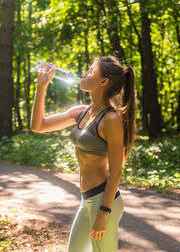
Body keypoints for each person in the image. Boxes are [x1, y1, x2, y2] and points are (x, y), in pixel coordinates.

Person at [30, 55, 136, 251]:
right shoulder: (81, 112)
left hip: (103, 202)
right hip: (87, 199)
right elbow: (38, 125)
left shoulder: (111, 119)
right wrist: (41, 87)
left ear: (103, 82)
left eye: (90, 71)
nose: (84, 74)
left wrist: (104, 213)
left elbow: (116, 171)